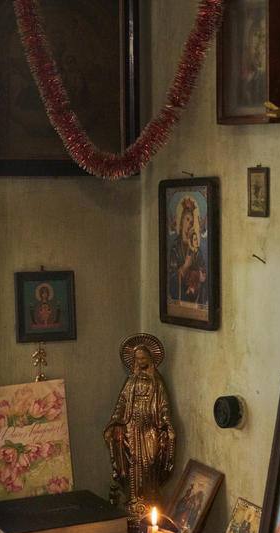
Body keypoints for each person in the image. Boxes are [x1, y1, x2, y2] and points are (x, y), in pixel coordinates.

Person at [104, 333, 175, 512]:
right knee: (132, 463)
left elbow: (164, 405)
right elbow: (122, 402)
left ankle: (150, 501)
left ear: (150, 358)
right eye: (137, 358)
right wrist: (114, 422)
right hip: (132, 428)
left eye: (143, 357)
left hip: (150, 428)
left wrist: (167, 422)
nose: (141, 360)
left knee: (150, 461)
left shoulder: (157, 381)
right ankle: (134, 499)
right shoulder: (131, 380)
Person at [167, 196, 207, 304]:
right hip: (179, 298)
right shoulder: (175, 247)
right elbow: (171, 277)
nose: (189, 224)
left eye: (192, 221)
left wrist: (201, 276)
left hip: (194, 297)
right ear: (181, 222)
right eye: (187, 220)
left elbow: (202, 267)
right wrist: (185, 266)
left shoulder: (195, 247)